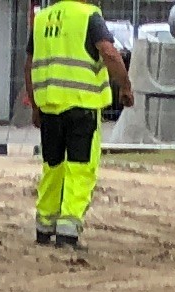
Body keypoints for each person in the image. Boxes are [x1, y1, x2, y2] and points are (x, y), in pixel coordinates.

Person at [27, 0, 134, 249]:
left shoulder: (42, 19)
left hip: (50, 107)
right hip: (82, 107)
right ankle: (68, 231)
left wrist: (34, 106)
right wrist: (125, 86)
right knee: (80, 169)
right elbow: (108, 52)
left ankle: (44, 227)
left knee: (53, 167)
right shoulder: (89, 16)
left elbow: (29, 65)